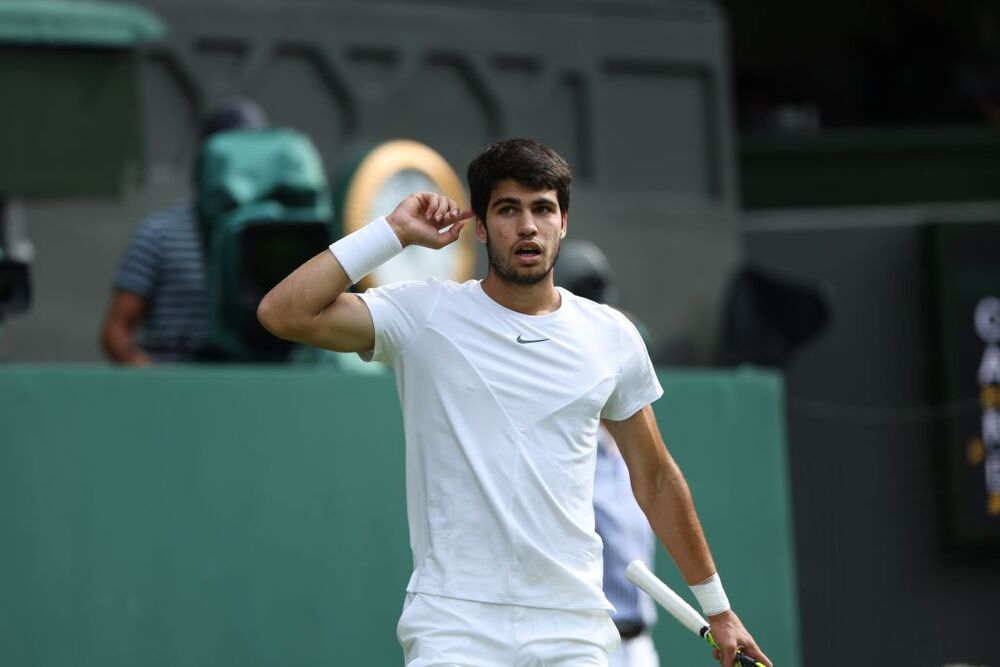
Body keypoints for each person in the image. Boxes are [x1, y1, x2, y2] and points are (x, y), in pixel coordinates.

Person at [256, 138, 771, 667]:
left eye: (542, 208)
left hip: (573, 629)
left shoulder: (610, 336)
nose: (527, 226)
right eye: (508, 209)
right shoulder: (422, 314)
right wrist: (390, 234)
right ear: (481, 226)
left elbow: (656, 478)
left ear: (563, 222)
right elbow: (283, 313)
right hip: (454, 626)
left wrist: (719, 609)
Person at [100, 98, 268, 364]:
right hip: (172, 386)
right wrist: (154, 379)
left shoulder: (272, 236)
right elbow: (116, 330)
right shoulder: (159, 233)